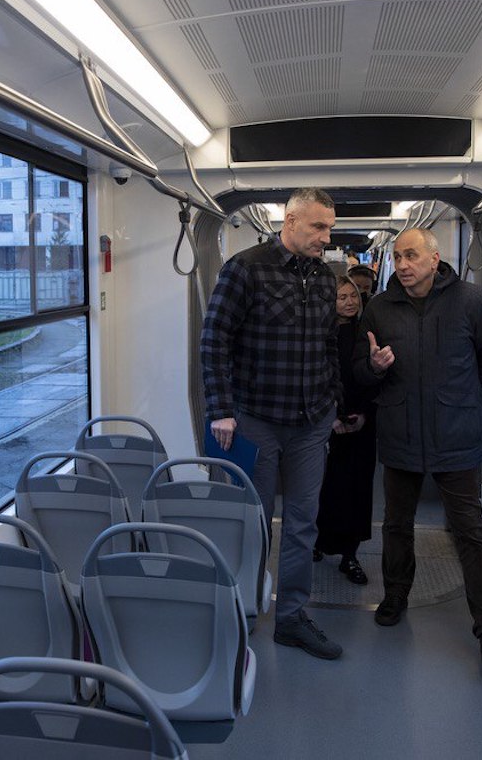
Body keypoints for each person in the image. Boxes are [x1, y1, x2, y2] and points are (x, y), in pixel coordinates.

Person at [352, 228, 482, 664]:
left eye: (412, 255)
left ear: (434, 258)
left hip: (455, 434)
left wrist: (457, 397)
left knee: (470, 531)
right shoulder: (380, 308)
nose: (403, 265)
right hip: (400, 430)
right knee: (396, 524)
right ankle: (395, 595)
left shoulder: (474, 301)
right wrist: (374, 366)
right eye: (398, 257)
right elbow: (360, 372)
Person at [201, 187, 344, 660]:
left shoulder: (325, 278)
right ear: (290, 221)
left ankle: (291, 618)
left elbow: (328, 344)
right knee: (253, 521)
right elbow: (214, 339)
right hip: (256, 418)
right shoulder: (246, 269)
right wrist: (221, 409)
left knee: (303, 523)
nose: (326, 238)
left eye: (330, 228)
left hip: (310, 421)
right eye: (318, 227)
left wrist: (334, 400)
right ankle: (242, 609)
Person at [314, 277, 376, 584]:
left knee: (357, 490)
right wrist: (331, 419)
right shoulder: (318, 335)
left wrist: (363, 414)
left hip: (361, 422)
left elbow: (374, 378)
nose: (350, 301)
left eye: (353, 295)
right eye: (342, 297)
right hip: (325, 424)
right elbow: (316, 380)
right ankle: (318, 540)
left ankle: (350, 555)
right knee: (324, 488)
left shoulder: (368, 333)